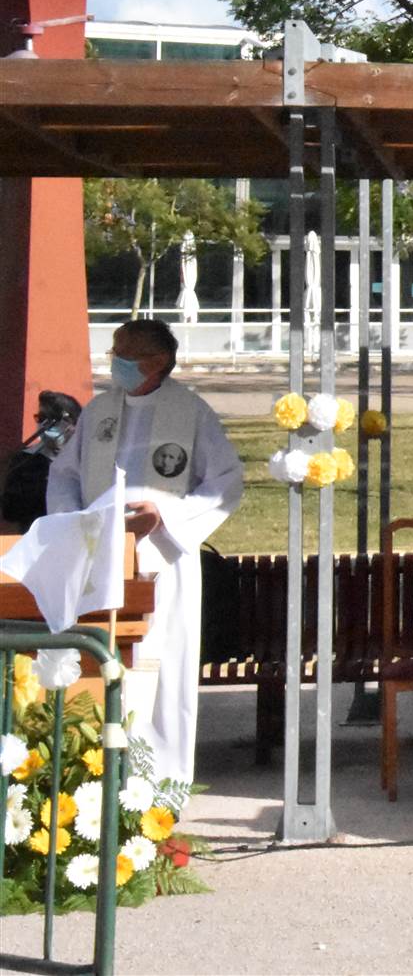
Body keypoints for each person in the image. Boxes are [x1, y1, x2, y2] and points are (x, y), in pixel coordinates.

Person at [45, 319, 242, 784]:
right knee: (99, 663)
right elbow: (64, 475)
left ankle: (161, 781)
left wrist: (166, 519)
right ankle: (95, 778)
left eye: (124, 351)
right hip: (98, 557)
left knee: (160, 664)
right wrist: (73, 523)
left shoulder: (190, 411)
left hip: (161, 561)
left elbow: (226, 481)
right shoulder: (98, 411)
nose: (114, 359)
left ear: (156, 362)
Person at [1, 390, 82, 533]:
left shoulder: (86, 458)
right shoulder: (24, 461)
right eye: (41, 418)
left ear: (72, 423)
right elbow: (10, 511)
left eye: (52, 419)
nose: (44, 424)